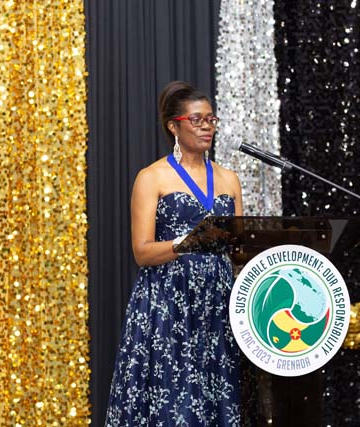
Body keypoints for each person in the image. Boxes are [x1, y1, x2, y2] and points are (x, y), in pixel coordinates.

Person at [105, 81, 243, 427]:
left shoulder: (229, 180)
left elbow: (239, 249)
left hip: (218, 306)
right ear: (173, 126)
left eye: (210, 119)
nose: (206, 127)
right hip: (168, 305)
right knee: (173, 404)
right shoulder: (152, 177)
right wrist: (189, 241)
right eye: (196, 120)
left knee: (219, 399)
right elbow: (142, 252)